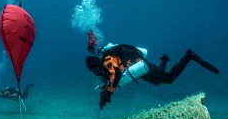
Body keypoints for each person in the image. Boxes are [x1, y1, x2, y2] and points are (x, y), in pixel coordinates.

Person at [85, 31, 220, 109]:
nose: (94, 72)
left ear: (95, 65)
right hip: (139, 67)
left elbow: (116, 74)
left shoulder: (106, 61)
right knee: (158, 81)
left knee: (168, 79)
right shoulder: (105, 61)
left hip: (141, 65)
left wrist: (106, 96)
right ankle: (165, 60)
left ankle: (188, 56)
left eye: (92, 70)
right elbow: (112, 76)